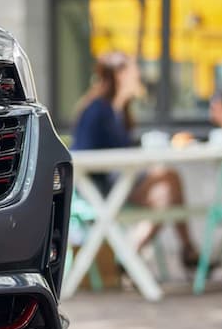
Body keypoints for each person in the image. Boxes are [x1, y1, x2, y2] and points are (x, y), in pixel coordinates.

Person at [71, 51, 200, 265]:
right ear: (119, 74)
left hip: (122, 182)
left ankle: (133, 254)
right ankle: (137, 252)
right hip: (97, 189)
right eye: (133, 70)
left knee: (168, 192)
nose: (138, 75)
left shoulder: (121, 111)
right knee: (169, 184)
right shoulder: (96, 110)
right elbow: (81, 155)